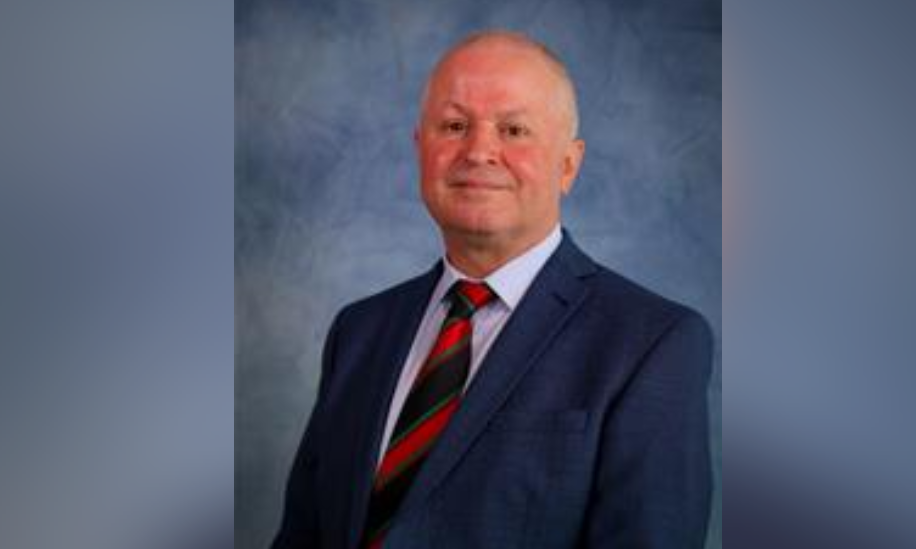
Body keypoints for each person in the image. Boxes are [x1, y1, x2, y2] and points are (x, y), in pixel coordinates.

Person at [271, 30, 714, 549]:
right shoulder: (360, 331)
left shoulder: (652, 343)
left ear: (568, 165)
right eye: (454, 125)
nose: (479, 151)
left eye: (515, 129)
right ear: (421, 149)